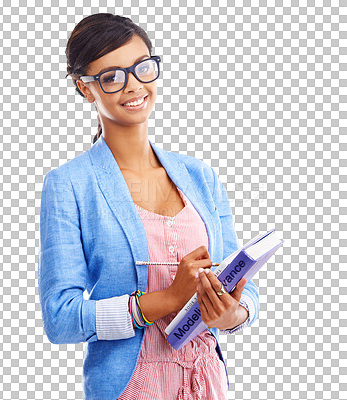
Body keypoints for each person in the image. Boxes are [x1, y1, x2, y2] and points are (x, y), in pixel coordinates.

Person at [38, 13, 259, 400]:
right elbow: (60, 318)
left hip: (207, 381)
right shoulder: (69, 185)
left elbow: (242, 284)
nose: (133, 86)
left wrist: (232, 315)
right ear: (85, 88)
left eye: (143, 68)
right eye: (111, 76)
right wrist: (168, 300)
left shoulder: (200, 176)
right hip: (130, 386)